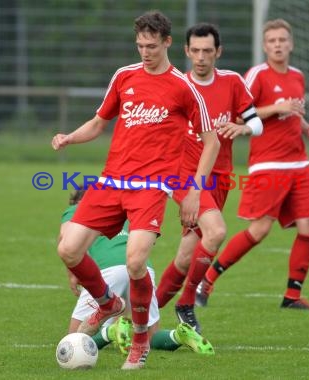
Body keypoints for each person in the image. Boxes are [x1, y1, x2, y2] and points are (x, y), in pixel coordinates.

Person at [51, 10, 219, 370]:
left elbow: (211, 142)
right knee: (68, 250)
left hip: (151, 187)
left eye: (152, 46)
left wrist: (193, 190)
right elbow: (99, 123)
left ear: (168, 43)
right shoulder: (124, 76)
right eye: (140, 45)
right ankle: (108, 303)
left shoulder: (183, 87)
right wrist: (70, 138)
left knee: (136, 262)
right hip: (111, 182)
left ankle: (140, 340)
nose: (145, 52)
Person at [196, 18, 309, 310]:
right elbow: (241, 115)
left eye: (282, 40)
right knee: (259, 230)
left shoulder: (298, 76)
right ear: (265, 46)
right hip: (268, 164)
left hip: (299, 162)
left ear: (290, 44)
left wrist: (307, 128)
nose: (278, 45)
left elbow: (293, 112)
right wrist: (277, 107)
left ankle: (292, 295)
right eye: (272, 41)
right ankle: (208, 278)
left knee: (308, 227)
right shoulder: (256, 75)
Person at [154, 23, 263, 333]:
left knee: (186, 257)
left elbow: (257, 124)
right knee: (215, 232)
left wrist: (243, 128)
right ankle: (187, 302)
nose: (201, 57)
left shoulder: (232, 82)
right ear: (186, 51)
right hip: (185, 177)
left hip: (220, 179)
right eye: (195, 51)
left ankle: (136, 315)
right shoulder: (176, 85)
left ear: (218, 52)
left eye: (207, 51)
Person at [59, 190, 214, 355]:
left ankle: (110, 332)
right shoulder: (119, 210)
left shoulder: (80, 209)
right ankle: (178, 335)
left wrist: (73, 273)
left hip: (108, 270)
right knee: (151, 335)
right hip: (141, 269)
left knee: (73, 340)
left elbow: (65, 237)